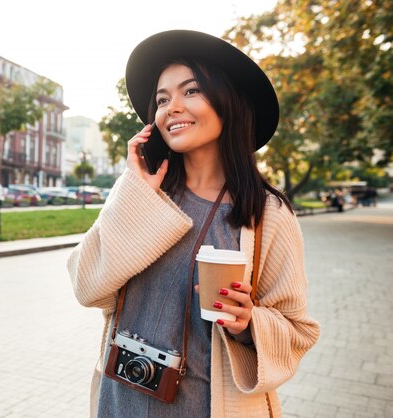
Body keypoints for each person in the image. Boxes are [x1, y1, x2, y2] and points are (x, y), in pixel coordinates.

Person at [67, 30, 320, 418]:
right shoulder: (143, 193)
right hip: (120, 400)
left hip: (205, 406)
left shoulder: (267, 214)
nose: (173, 107)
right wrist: (134, 192)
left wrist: (248, 323)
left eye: (191, 91)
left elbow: (297, 331)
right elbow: (87, 286)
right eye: (162, 99)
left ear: (228, 103)